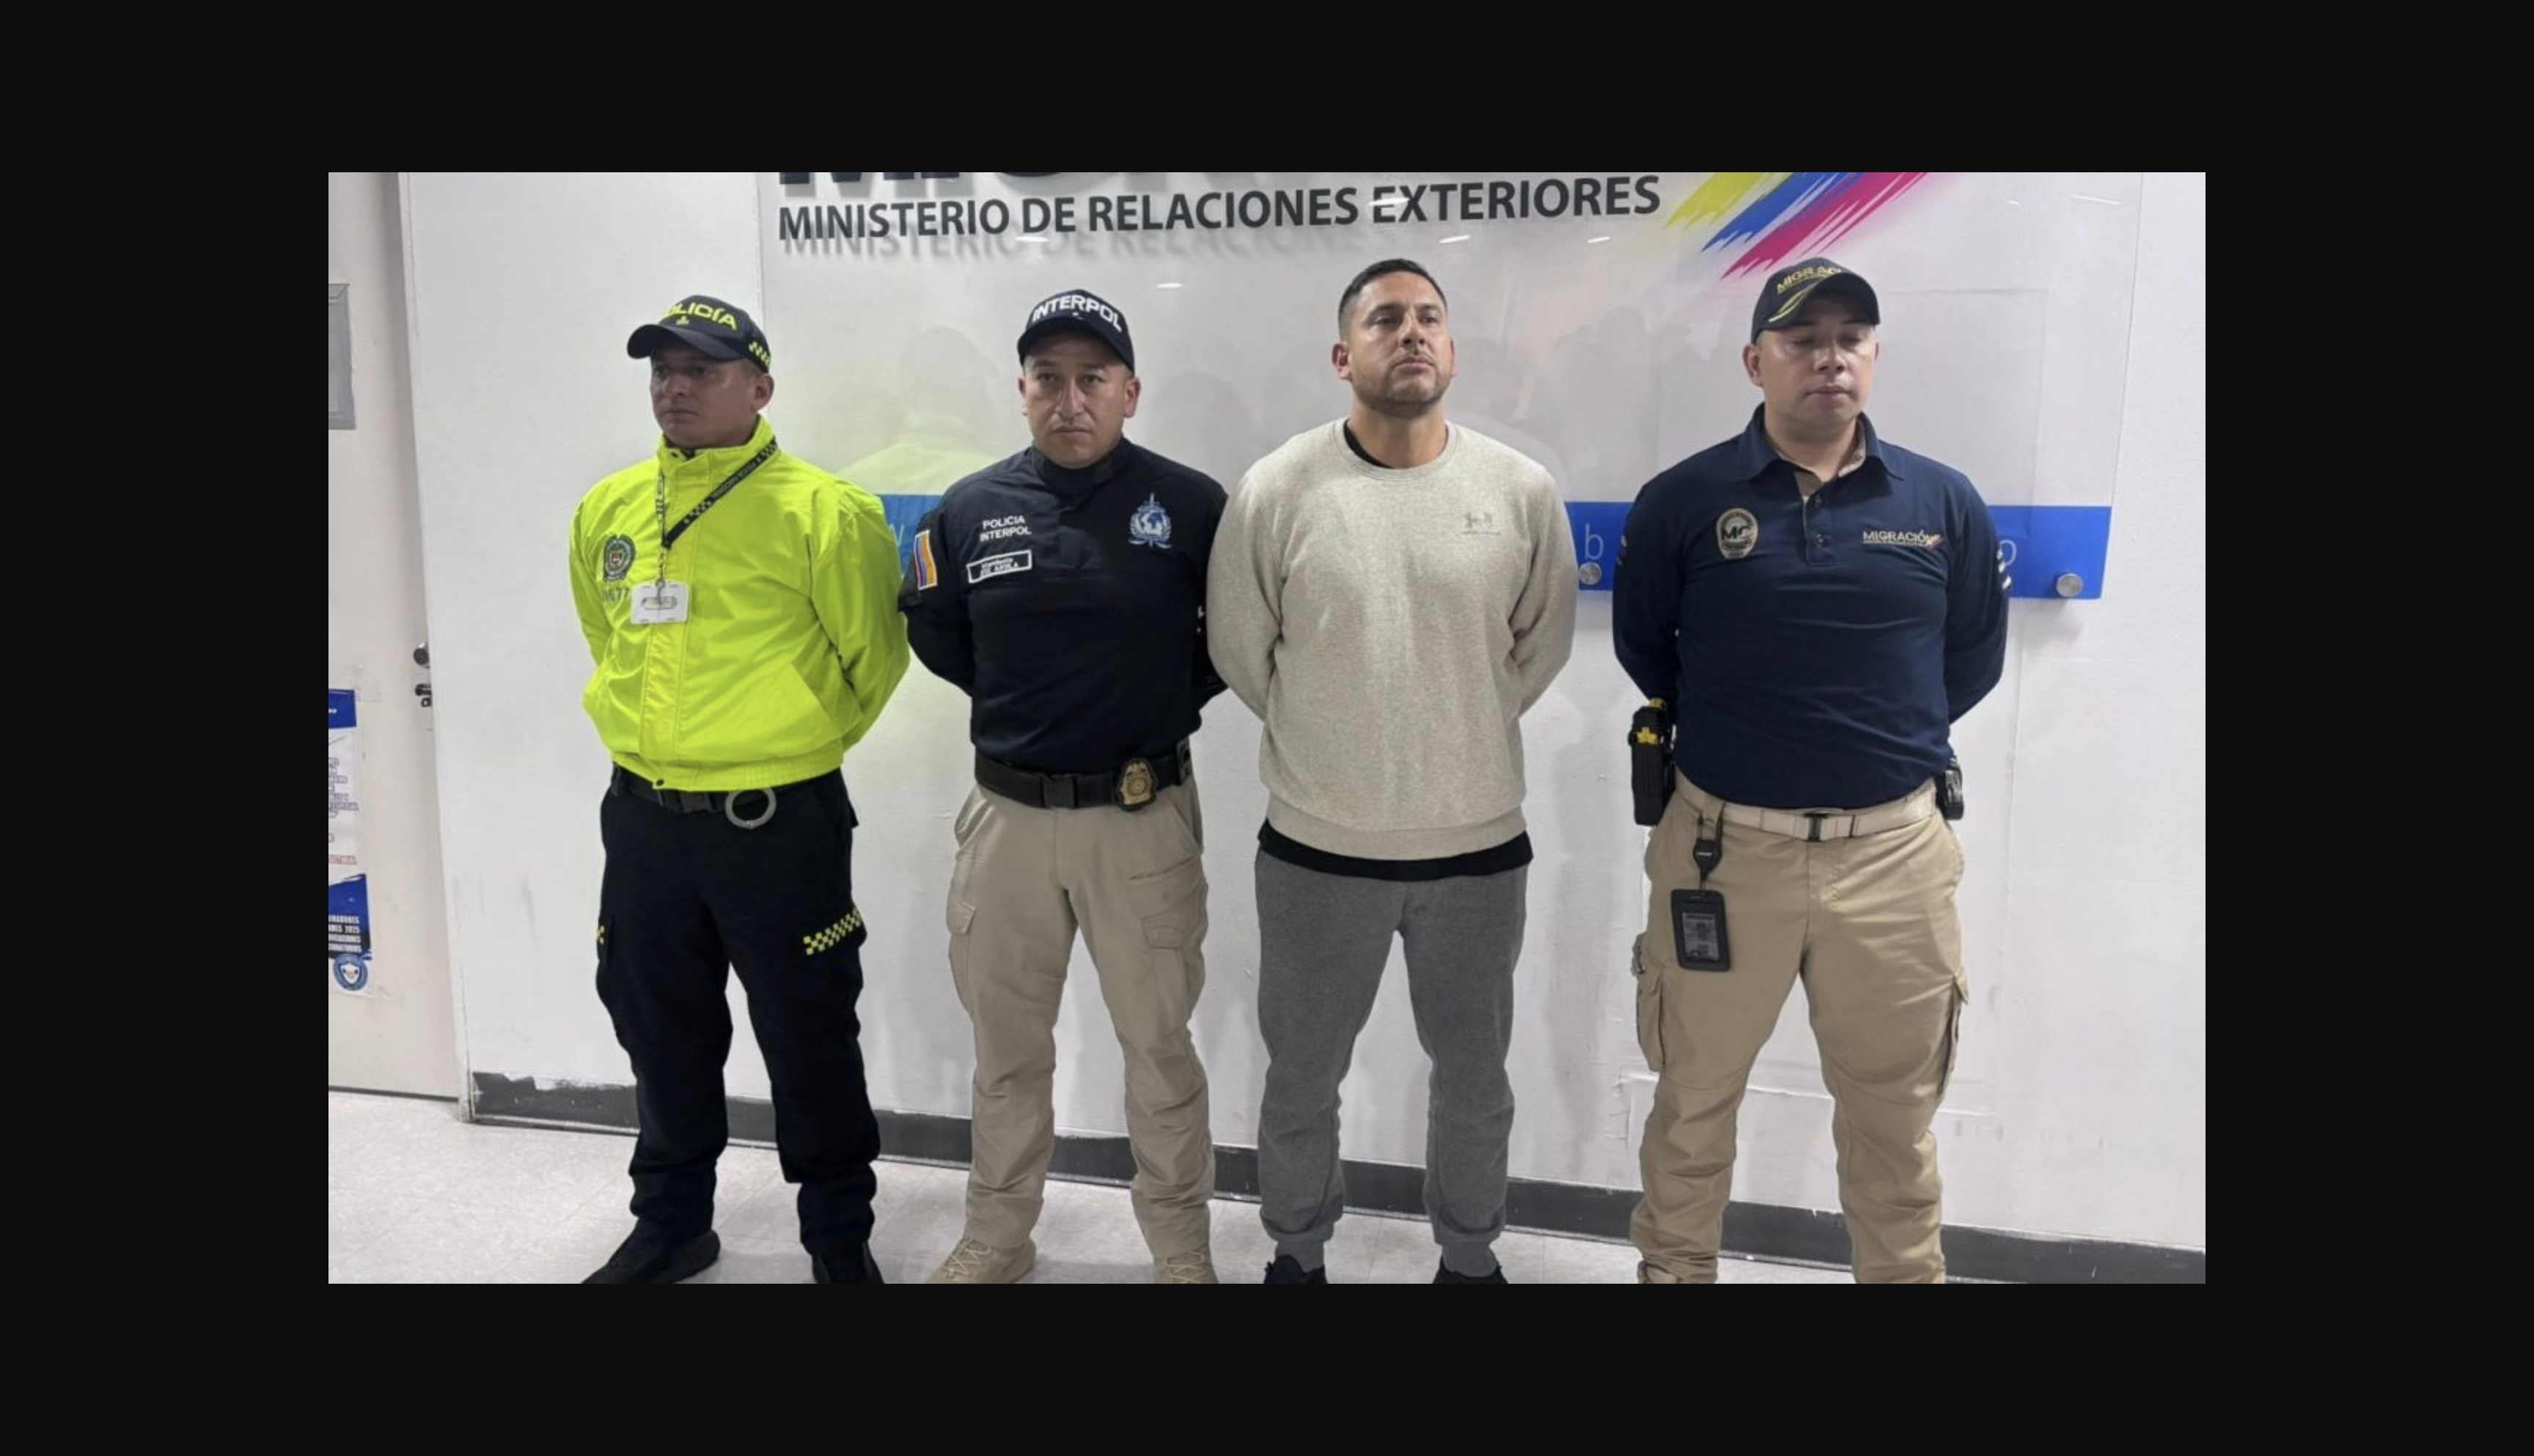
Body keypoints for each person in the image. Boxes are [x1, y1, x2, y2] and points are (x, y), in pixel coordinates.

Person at [1612, 257, 2010, 1284]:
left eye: (1850, 338)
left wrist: (1871, 748)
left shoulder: (1943, 501)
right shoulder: (1684, 499)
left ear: (1874, 354)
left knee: (1894, 1123)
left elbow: (1969, 660)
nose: (1829, 358)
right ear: (1757, 362)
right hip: (1722, 854)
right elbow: (1649, 651)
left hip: (1893, 865)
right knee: (1692, 1103)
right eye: (1802, 340)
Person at [1208, 260, 1576, 1284]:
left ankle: (1469, 1257)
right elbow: (1242, 651)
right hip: (1317, 852)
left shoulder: (1519, 491)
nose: (1410, 333)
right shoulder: (1277, 489)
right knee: (1302, 1079)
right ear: (1344, 354)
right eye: (1384, 320)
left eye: (1428, 318)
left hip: (1477, 853)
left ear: (1451, 349)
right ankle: (1297, 1251)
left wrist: (1456, 727)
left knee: (1475, 1081)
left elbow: (1537, 648)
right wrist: (1336, 736)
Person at [569, 294, 909, 1283]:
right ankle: (673, 1224)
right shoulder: (608, 507)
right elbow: (604, 636)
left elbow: (872, 661)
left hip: (776, 824)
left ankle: (838, 1239)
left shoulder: (825, 511)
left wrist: (776, 744)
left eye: (701, 371)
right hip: (644, 823)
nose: (674, 388)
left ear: (759, 389)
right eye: (662, 371)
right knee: (658, 1029)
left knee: (810, 1035)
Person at [900, 290, 1229, 1284]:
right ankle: (998, 1237)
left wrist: (1148, 703)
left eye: (1093, 378)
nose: (1070, 399)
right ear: (1022, 390)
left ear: (1131, 391)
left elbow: (1231, 644)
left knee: (1158, 1048)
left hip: (1141, 819)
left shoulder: (1194, 506)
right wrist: (1029, 709)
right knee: (1006, 1052)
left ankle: (1180, 1249)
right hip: (1006, 823)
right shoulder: (967, 510)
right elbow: (938, 634)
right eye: (1049, 378)